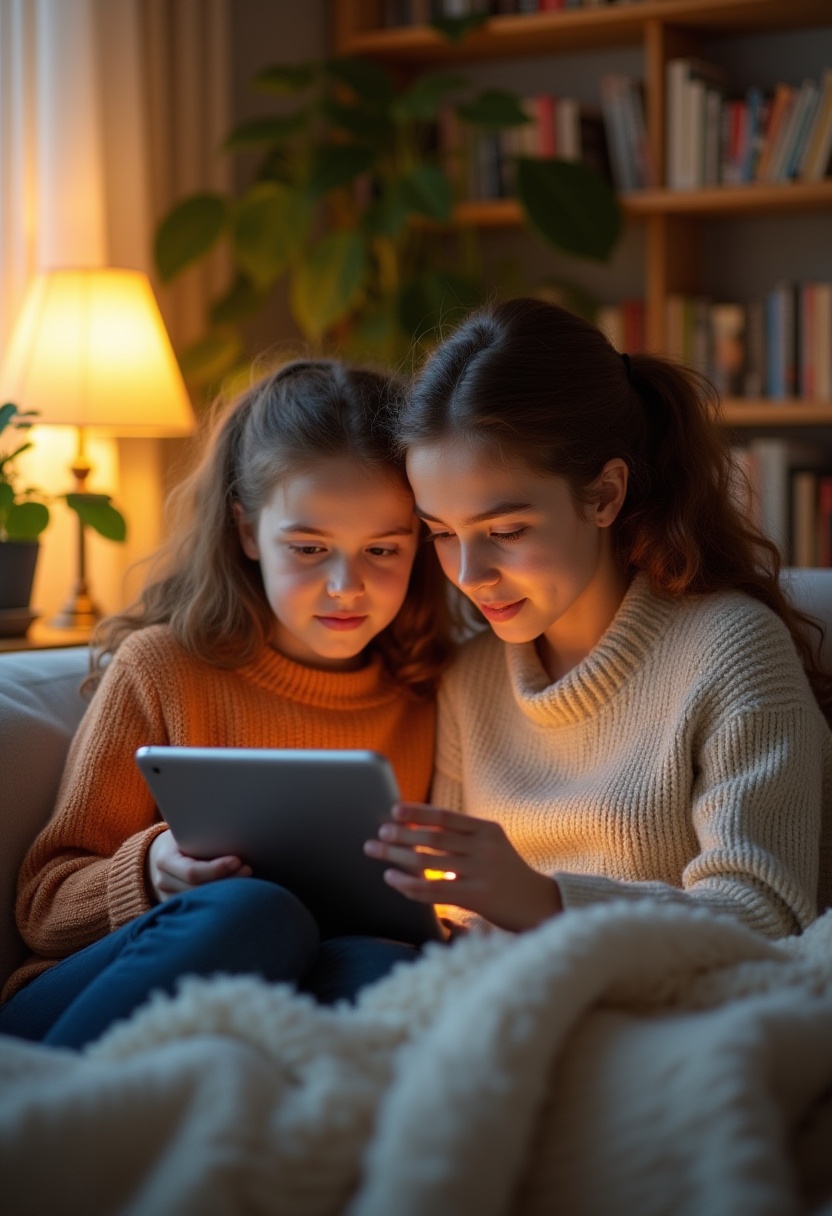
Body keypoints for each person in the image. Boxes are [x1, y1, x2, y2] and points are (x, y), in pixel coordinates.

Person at [0, 358, 455, 1049]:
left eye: (383, 550)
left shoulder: (420, 691)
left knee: (391, 964)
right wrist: (152, 873)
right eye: (308, 547)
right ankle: (48, 1106)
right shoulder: (164, 668)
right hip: (86, 996)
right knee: (257, 911)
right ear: (247, 532)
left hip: (280, 988)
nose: (346, 585)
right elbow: (43, 907)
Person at [364, 297, 832, 941]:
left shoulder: (732, 649)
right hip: (507, 1004)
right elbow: (449, 910)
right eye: (441, 533)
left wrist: (545, 901)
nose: (469, 574)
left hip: (671, 1017)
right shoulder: (471, 678)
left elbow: (765, 912)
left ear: (605, 494)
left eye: (505, 529)